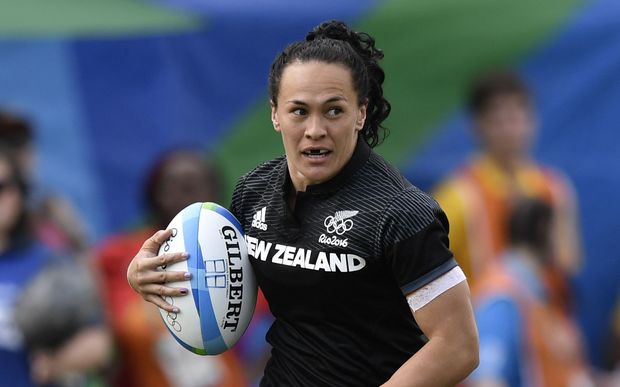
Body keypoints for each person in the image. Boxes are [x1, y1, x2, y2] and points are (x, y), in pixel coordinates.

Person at [127, 20, 479, 386]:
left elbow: (458, 346)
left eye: (333, 110)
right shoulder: (253, 191)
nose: (315, 129)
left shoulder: (402, 213)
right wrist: (144, 274)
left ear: (360, 112)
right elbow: (217, 277)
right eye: (299, 111)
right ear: (275, 115)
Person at [95, 149, 249, 387]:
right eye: (171, 186)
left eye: (194, 186)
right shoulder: (115, 256)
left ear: (215, 193)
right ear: (153, 195)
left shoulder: (238, 254)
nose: (182, 196)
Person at [433, 71, 581, 295]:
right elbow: (432, 276)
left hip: (543, 324)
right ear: (477, 125)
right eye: (499, 121)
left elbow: (569, 265)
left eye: (517, 117)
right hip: (486, 324)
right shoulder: (457, 196)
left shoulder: (554, 188)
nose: (511, 130)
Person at [0, 145, 111, 386]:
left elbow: (99, 343)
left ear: (19, 193)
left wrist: (57, 362)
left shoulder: (50, 264)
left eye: (2, 187)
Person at [469, 198, 592, 387]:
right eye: (562, 232)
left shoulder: (536, 292)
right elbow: (486, 380)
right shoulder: (501, 295)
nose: (569, 242)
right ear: (543, 229)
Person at [0, 110, 89, 257]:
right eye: (6, 142)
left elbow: (85, 258)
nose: (15, 152)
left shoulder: (52, 207)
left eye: (20, 141)